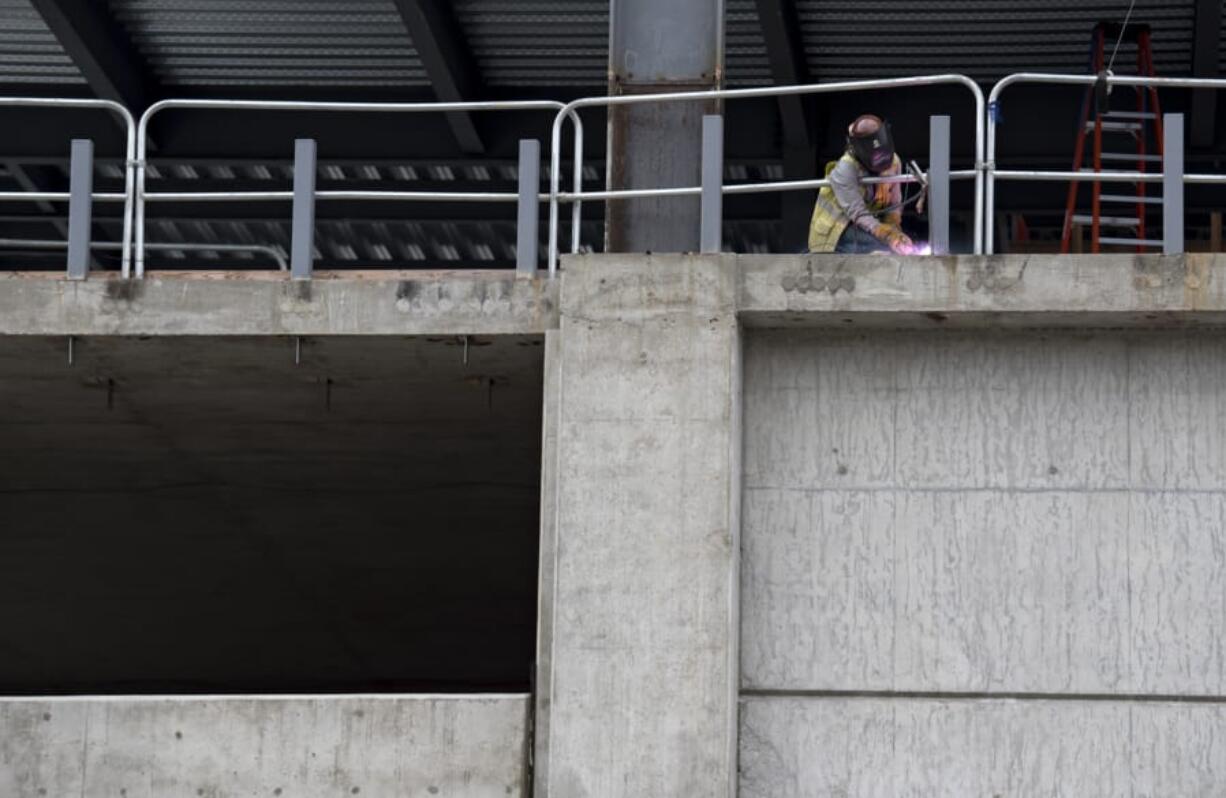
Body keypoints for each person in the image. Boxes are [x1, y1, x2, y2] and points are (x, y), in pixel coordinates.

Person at [807, 114, 916, 254]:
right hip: (837, 231)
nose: (883, 161)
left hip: (865, 224)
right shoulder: (845, 169)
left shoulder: (893, 161)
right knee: (885, 250)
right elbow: (858, 213)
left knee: (896, 248)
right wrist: (887, 235)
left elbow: (894, 203)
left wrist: (894, 228)